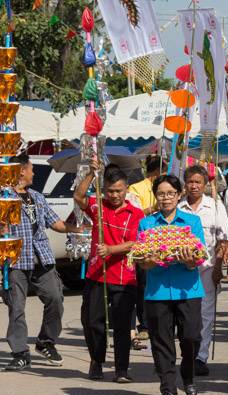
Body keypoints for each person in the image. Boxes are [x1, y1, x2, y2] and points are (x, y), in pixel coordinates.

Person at [1, 153, 80, 370]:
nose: (34, 172)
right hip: (15, 261)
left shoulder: (37, 196)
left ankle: (46, 342)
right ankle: (20, 352)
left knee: (55, 299)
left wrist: (77, 228)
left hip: (42, 258)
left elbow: (56, 223)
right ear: (21, 171)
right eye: (31, 168)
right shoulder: (3, 198)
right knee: (16, 307)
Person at [137, 175, 205, 395]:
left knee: (191, 337)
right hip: (157, 293)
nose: (165, 198)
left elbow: (199, 258)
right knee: (161, 342)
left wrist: (189, 260)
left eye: (170, 193)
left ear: (179, 195)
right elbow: (141, 261)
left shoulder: (192, 222)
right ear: (156, 196)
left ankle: (187, 376)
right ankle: (168, 390)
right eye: (161, 194)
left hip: (188, 291)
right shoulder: (146, 224)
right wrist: (150, 260)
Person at [73, 161, 144, 382]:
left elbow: (135, 243)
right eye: (111, 191)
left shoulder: (136, 213)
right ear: (104, 190)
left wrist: (112, 249)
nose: (114, 195)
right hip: (97, 274)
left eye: (119, 191)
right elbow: (78, 197)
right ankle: (96, 360)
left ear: (126, 190)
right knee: (92, 321)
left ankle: (122, 368)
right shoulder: (97, 207)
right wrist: (92, 175)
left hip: (124, 276)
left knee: (122, 325)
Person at [178, 165, 228, 377]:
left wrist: (219, 267)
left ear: (204, 184)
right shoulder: (178, 207)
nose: (193, 186)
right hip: (181, 269)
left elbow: (224, 239)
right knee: (184, 315)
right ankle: (186, 354)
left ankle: (200, 356)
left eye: (198, 182)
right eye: (190, 181)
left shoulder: (214, 205)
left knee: (206, 314)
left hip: (207, 268)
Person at [128, 155, 166, 343]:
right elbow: (134, 216)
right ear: (157, 172)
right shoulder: (135, 189)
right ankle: (144, 325)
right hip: (143, 243)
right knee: (143, 284)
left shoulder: (165, 189)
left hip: (164, 243)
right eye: (164, 172)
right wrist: (153, 208)